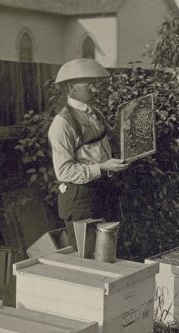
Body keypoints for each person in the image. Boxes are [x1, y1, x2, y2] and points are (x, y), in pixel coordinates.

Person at [48, 58, 128, 248]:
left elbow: (110, 140)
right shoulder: (62, 124)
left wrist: (126, 121)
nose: (95, 88)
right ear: (71, 87)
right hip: (80, 199)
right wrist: (101, 168)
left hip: (103, 191)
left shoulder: (95, 113)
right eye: (89, 83)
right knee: (87, 257)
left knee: (108, 252)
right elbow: (64, 172)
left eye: (96, 83)